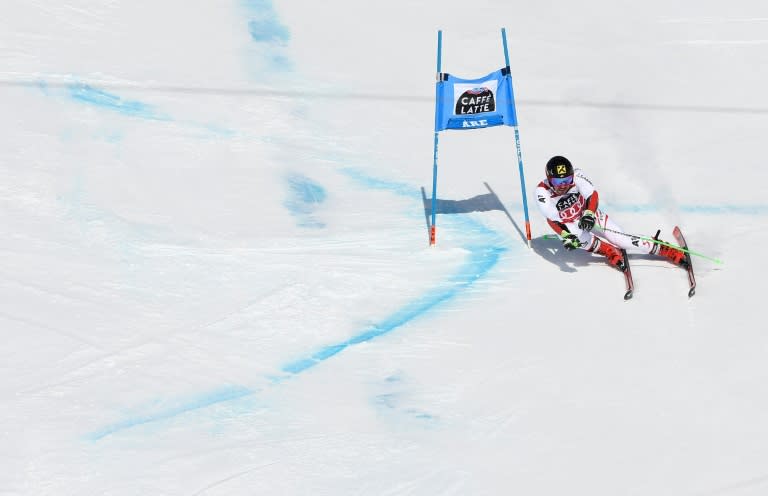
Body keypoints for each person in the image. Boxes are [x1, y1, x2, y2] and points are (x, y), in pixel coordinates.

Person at [535, 155, 687, 271]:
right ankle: (608, 251)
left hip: (590, 215)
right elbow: (552, 219)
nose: (562, 186)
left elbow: (592, 195)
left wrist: (589, 214)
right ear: (549, 179)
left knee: (622, 241)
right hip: (571, 224)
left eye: (566, 180)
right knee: (577, 238)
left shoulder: (577, 177)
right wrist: (566, 236)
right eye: (557, 182)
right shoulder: (542, 192)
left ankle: (664, 249)